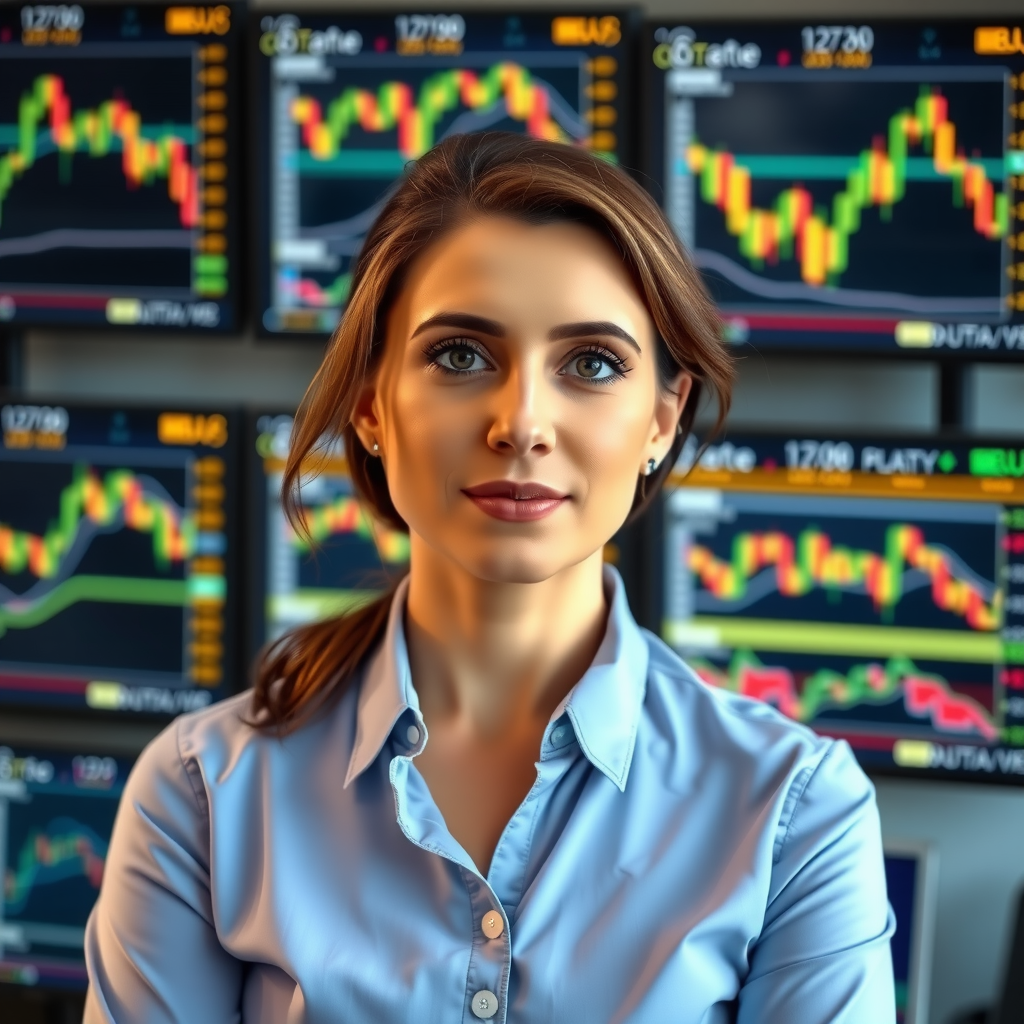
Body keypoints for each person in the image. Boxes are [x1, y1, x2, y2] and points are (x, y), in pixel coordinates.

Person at [84, 132, 894, 1023]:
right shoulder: (200, 793)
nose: (522, 424)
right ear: (370, 405)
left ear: (663, 420)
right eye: (461, 356)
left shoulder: (796, 815)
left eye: (592, 364)